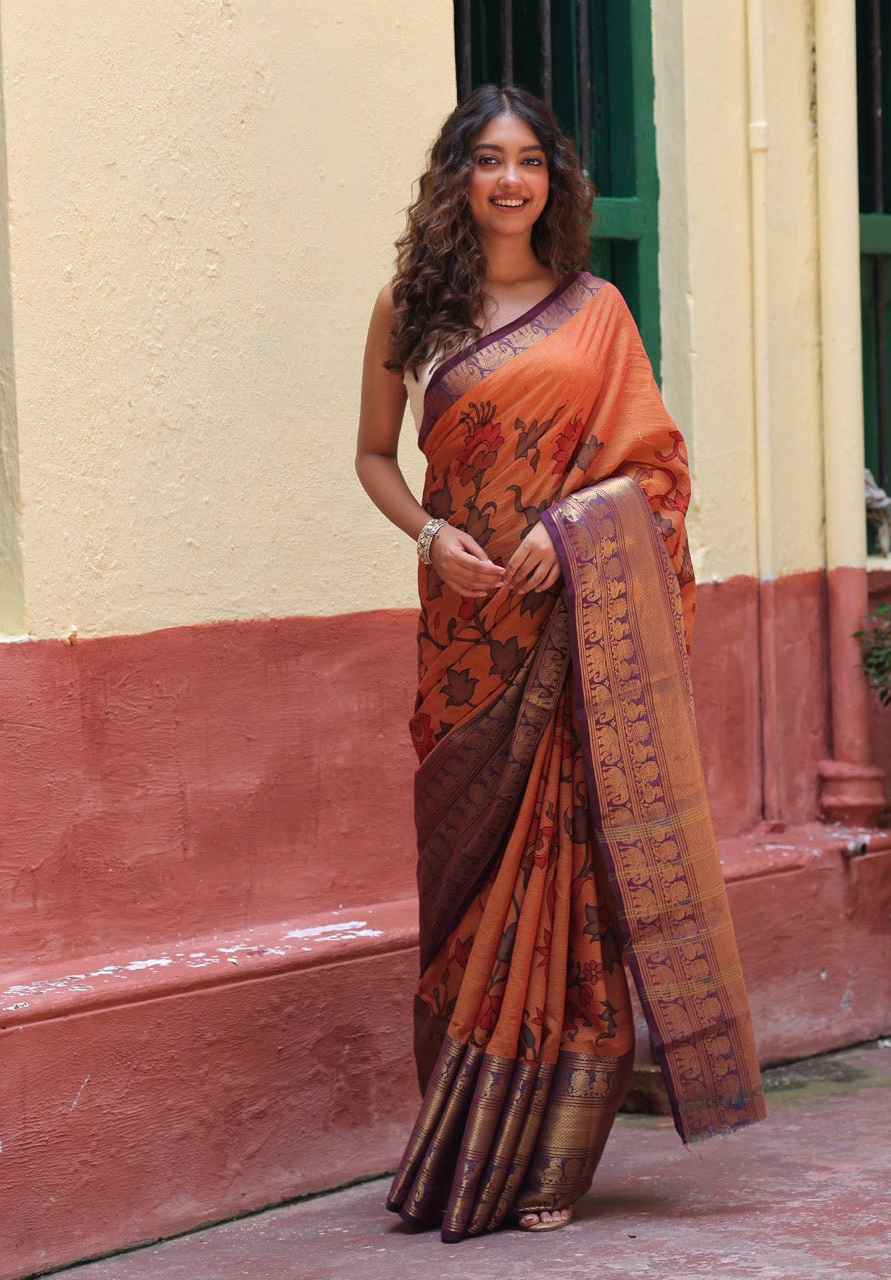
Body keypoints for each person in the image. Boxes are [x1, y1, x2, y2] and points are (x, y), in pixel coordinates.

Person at [355, 84, 765, 1243]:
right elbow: (373, 457)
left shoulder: (597, 313)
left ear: (555, 181)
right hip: (465, 644)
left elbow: (657, 473)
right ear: (456, 176)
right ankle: (461, 1143)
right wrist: (429, 535)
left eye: (530, 161)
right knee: (466, 890)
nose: (510, 180)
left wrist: (571, 529)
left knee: (570, 887)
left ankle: (550, 1158)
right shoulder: (409, 309)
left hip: (573, 639)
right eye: (488, 160)